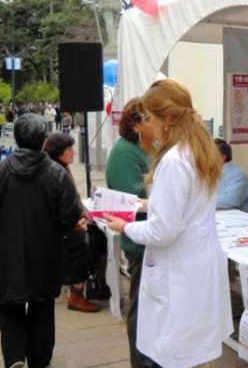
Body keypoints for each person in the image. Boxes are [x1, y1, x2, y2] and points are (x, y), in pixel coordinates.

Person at [105, 79, 233, 368]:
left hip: (179, 269)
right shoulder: (200, 150)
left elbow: (163, 230)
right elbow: (189, 205)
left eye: (149, 117)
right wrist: (149, 205)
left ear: (166, 118)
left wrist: (123, 227)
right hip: (196, 263)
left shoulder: (174, 161)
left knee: (173, 351)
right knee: (190, 349)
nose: (147, 124)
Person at [0, 113, 82, 368]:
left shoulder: (2, 170)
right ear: (43, 140)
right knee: (42, 308)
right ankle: (39, 358)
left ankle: (14, 356)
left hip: (7, 253)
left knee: (10, 306)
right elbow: (69, 215)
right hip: (46, 254)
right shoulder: (56, 173)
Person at [105, 98, 155, 368]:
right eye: (151, 119)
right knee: (140, 310)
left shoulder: (143, 147)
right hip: (140, 242)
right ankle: (141, 362)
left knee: (150, 310)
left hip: (152, 239)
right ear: (137, 125)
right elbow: (130, 199)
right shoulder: (125, 153)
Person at [44, 133, 110, 313]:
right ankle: (76, 293)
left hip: (67, 223)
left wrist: (85, 213)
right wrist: (78, 221)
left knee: (98, 234)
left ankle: (95, 283)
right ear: (59, 153)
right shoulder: (56, 173)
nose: (73, 153)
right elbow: (61, 209)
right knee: (87, 243)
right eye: (69, 149)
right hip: (61, 229)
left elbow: (73, 201)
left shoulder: (61, 168)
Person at [214, 138, 248, 214]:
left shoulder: (238, 176)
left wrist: (201, 201)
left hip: (242, 223)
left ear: (222, 158)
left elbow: (230, 201)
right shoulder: (212, 174)